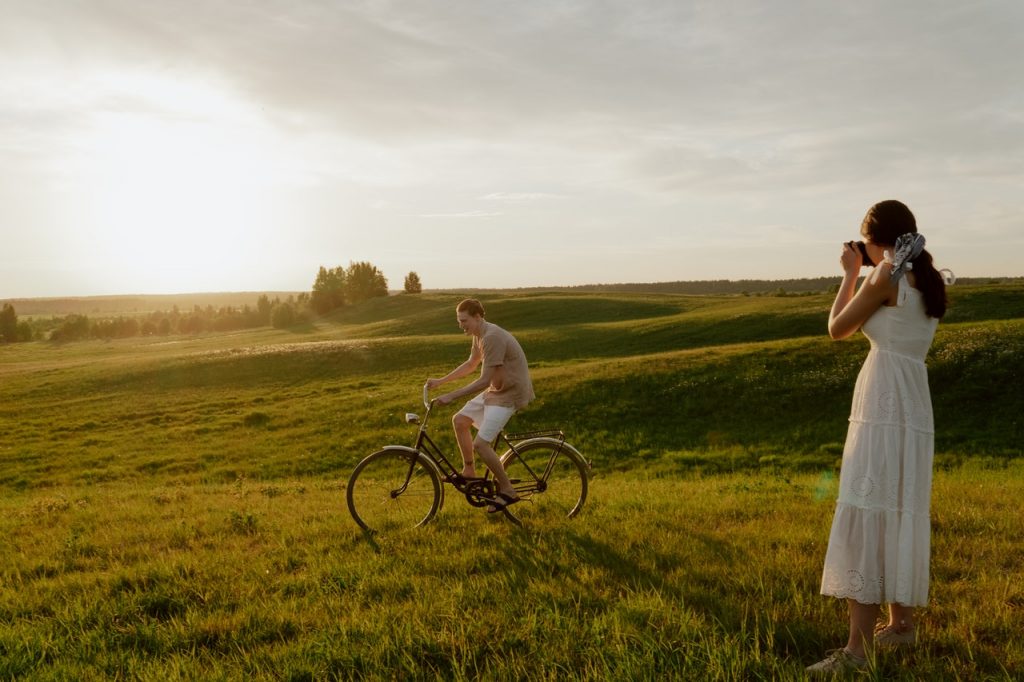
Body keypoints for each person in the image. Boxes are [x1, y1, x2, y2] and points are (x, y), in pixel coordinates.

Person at [807, 200, 948, 674]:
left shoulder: (882, 275)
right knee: (900, 504)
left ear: (873, 238)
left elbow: (837, 329)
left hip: (882, 399)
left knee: (868, 506)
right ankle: (901, 625)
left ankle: (856, 653)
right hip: (913, 404)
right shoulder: (925, 281)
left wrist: (850, 272)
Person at [426, 298, 535, 513]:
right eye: (459, 321)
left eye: (464, 320)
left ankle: (507, 490)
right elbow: (471, 364)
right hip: (496, 390)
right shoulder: (479, 334)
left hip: (509, 393)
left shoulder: (492, 337)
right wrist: (441, 382)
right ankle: (469, 471)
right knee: (460, 421)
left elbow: (484, 380)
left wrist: (452, 396)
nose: (461, 325)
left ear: (478, 317)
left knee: (481, 445)